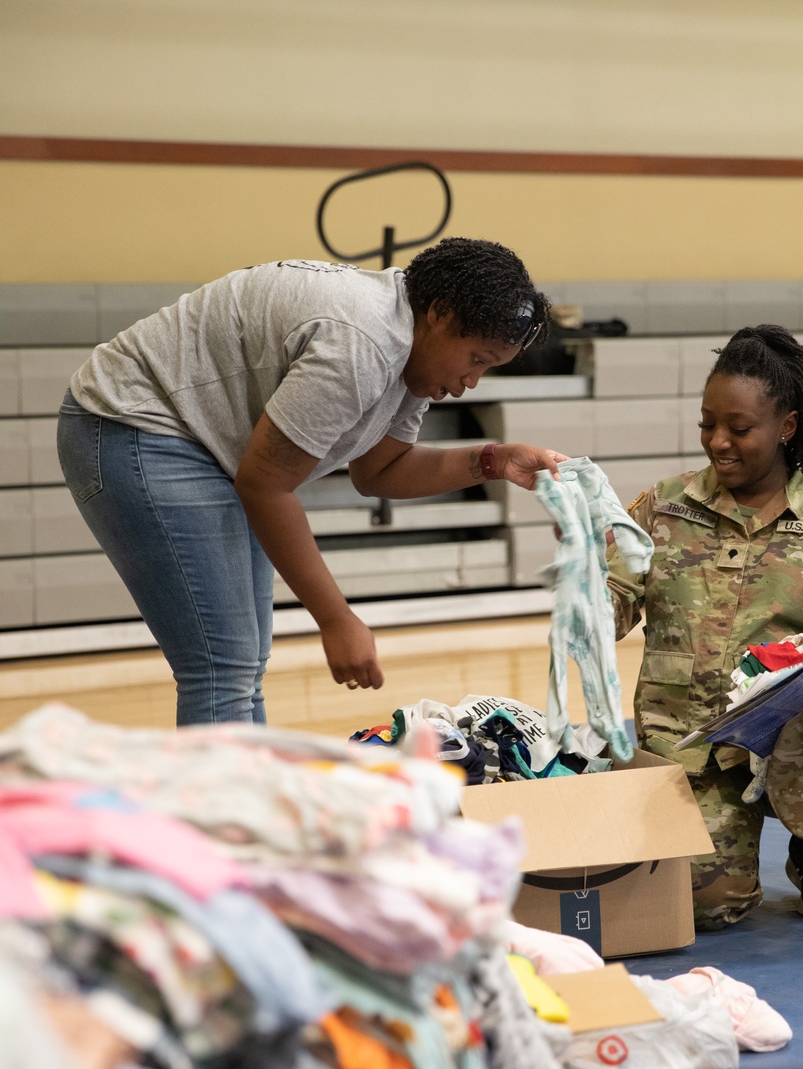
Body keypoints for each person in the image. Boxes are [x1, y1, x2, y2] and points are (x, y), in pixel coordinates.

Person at [58, 239, 566, 726]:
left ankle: (247, 809)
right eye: (476, 359)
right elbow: (265, 486)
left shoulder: (415, 352)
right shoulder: (362, 343)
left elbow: (380, 471)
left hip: (194, 443)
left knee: (240, 665)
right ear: (439, 313)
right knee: (223, 669)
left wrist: (495, 460)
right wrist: (336, 619)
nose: (471, 381)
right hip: (134, 424)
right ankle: (225, 817)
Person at [607, 324, 803, 929]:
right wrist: (583, 571)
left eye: (738, 427)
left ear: (785, 426)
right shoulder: (662, 509)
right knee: (707, 907)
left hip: (785, 748)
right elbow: (611, 608)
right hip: (683, 744)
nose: (718, 441)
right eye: (707, 424)